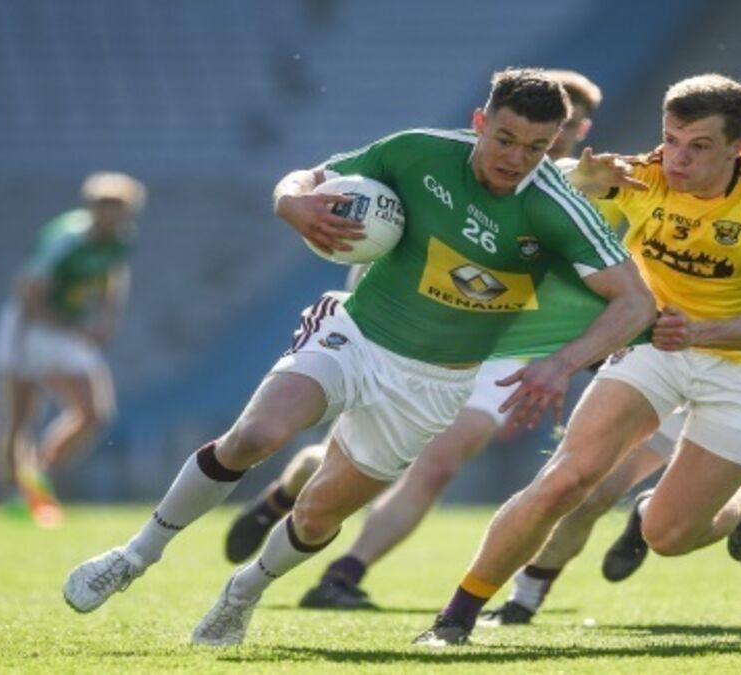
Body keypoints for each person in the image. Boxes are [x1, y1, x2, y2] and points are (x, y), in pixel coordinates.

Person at [61, 68, 655, 647]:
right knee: (255, 436)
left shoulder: (558, 207)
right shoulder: (417, 152)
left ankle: (242, 593)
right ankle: (135, 555)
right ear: (480, 122)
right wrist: (291, 204)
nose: (516, 158)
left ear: (553, 144)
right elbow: (308, 177)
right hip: (356, 335)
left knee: (318, 515)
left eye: (535, 148)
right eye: (504, 139)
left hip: (433, 384)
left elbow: (634, 302)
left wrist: (561, 364)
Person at [415, 73, 741, 647]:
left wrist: (700, 330)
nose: (677, 159)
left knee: (668, 535)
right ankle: (455, 619)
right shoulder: (641, 175)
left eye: (699, 146)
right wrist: (582, 178)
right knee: (566, 478)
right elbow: (539, 194)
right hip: (661, 343)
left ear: (737, 147)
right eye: (671, 139)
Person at [483, 107, 741, 626]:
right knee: (593, 487)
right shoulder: (694, 186)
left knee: (670, 532)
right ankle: (524, 600)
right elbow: (580, 192)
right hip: (672, 361)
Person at [220, 70, 612, 612]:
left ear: (577, 131)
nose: (533, 149)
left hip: (493, 348)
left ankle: (344, 573)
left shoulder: (577, 190)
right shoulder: (447, 163)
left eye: (556, 136)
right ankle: (284, 497)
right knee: (338, 458)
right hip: (400, 328)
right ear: (489, 125)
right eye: (511, 137)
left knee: (437, 463)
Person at [0, 172, 146, 526]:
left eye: (121, 210)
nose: (114, 217)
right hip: (29, 326)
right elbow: (27, 292)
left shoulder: (122, 239)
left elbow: (114, 276)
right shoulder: (65, 240)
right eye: (106, 208)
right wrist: (70, 329)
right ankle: (16, 493)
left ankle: (40, 471)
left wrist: (107, 318)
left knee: (95, 412)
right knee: (20, 416)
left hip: (66, 329)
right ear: (92, 208)